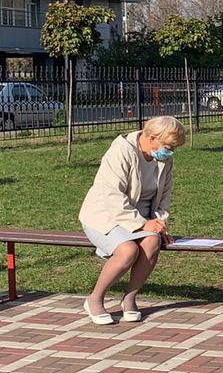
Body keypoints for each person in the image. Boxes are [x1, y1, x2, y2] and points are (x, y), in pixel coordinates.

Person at [78, 116, 184, 325]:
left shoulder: (164, 159)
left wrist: (159, 223)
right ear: (152, 138)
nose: (170, 152)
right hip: (105, 215)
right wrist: (143, 224)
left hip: (141, 217)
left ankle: (130, 298)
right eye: (168, 146)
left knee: (153, 242)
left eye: (173, 148)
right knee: (127, 250)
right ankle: (95, 299)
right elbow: (112, 197)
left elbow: (164, 197)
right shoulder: (121, 151)